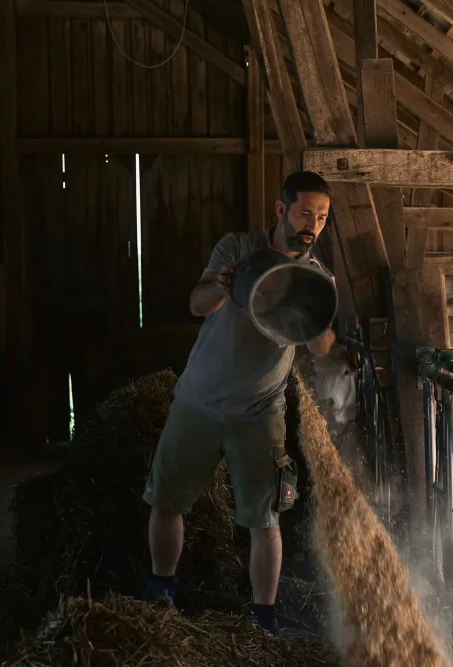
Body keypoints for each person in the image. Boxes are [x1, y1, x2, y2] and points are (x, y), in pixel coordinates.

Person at [139, 171, 337, 633]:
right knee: (167, 501)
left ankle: (262, 617)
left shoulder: (315, 278)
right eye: (306, 212)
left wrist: (317, 328)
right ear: (280, 210)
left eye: (323, 217)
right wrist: (223, 288)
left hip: (259, 411)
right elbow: (196, 303)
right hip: (200, 399)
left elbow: (322, 346)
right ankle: (161, 588)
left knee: (264, 520)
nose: (313, 224)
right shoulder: (238, 249)